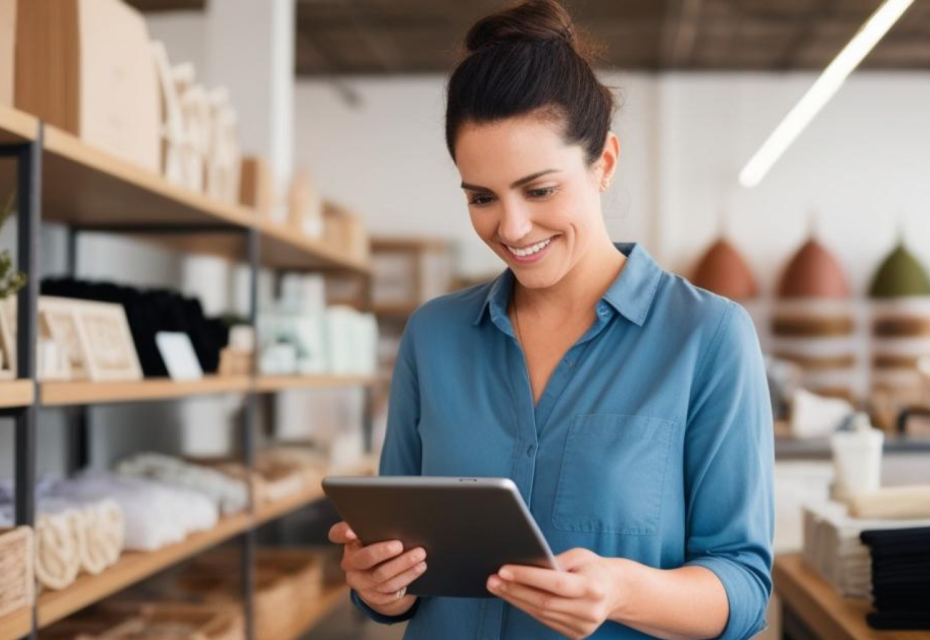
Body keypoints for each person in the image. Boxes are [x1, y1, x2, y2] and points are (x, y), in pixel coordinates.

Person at [326, 1, 774, 638]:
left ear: (604, 165)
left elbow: (745, 589)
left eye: (539, 190)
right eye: (482, 197)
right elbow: (397, 578)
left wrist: (622, 591)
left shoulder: (707, 337)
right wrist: (381, 586)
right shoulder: (434, 337)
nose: (510, 227)